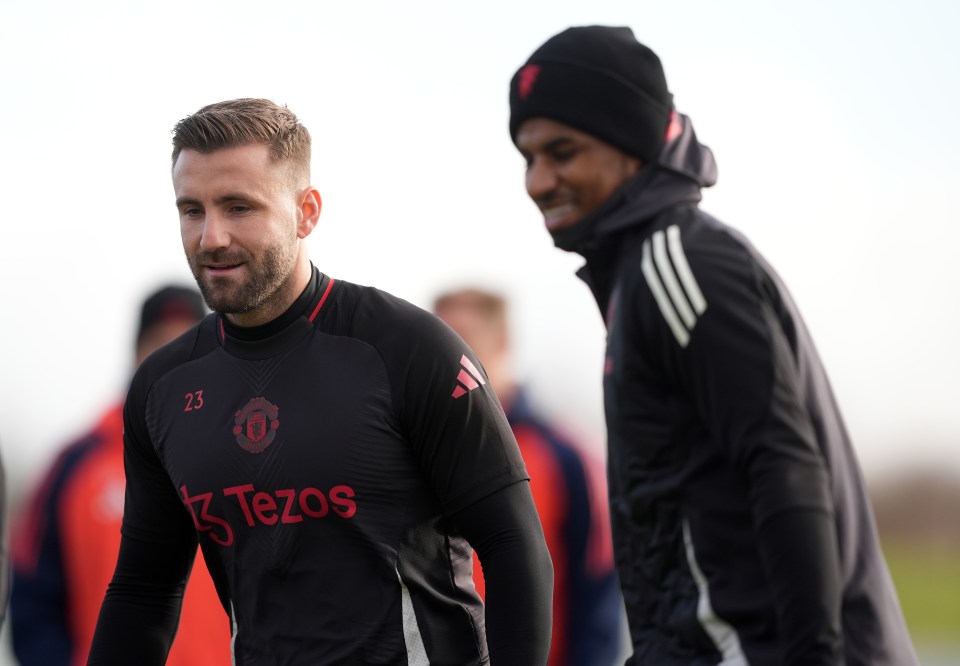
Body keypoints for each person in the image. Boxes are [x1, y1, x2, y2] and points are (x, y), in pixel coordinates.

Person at [87, 98, 553, 665]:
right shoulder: (163, 387)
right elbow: (143, 591)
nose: (211, 237)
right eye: (192, 210)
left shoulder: (408, 350)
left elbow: (513, 547)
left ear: (306, 211)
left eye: (238, 207)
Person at [507, 25, 919, 666]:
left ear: (631, 145)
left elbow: (782, 467)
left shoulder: (678, 263)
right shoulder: (645, 273)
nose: (538, 180)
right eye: (528, 157)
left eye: (563, 151)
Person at [9, 285, 230, 666]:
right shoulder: (77, 464)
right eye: (159, 343)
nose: (174, 359)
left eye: (189, 344)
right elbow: (32, 604)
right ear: (136, 354)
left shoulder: (248, 458)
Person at [433, 287, 625, 666]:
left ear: (502, 342)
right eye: (436, 344)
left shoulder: (565, 458)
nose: (445, 361)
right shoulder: (405, 456)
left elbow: (598, 603)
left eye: (464, 342)